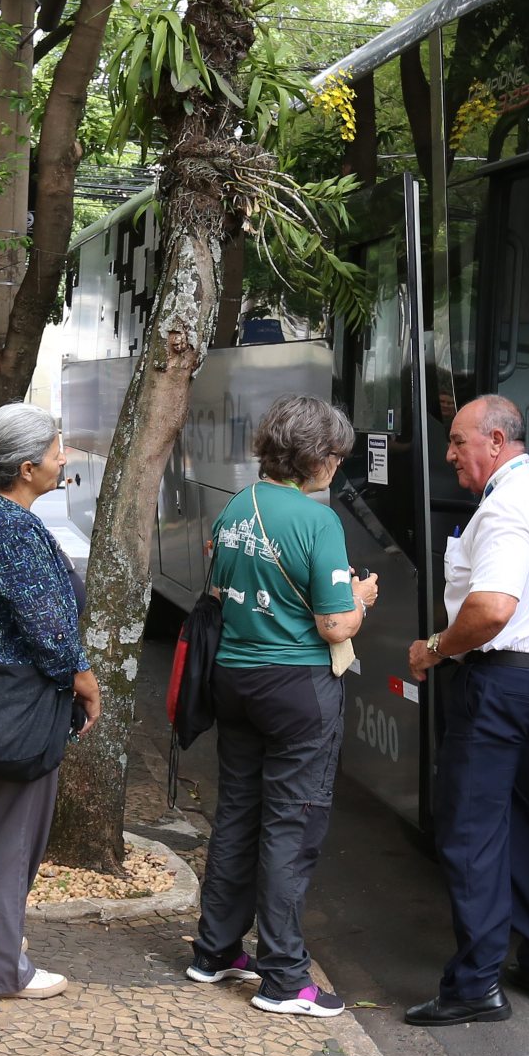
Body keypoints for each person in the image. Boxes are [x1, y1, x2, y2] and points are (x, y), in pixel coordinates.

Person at [403, 395, 529, 1026]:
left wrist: (434, 649)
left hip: (500, 686)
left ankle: (476, 984)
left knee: (468, 833)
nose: (450, 454)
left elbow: (492, 610)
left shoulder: (510, 503)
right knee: (514, 818)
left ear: (496, 439)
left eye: (458, 441)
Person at [187, 395, 377, 1018]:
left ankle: (214, 950)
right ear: (318, 459)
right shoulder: (317, 521)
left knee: (238, 812)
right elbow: (332, 625)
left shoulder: (235, 506)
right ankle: (284, 977)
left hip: (234, 680)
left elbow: (223, 589)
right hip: (297, 689)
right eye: (338, 456)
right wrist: (361, 597)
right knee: (291, 826)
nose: (339, 466)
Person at [0, 403, 99, 1001]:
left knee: (11, 830)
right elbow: (50, 629)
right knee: (16, 837)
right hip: (19, 703)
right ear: (29, 466)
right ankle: (0, 970)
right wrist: (87, 685)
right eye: (59, 451)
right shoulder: (10, 527)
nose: (65, 460)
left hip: (2, 698)